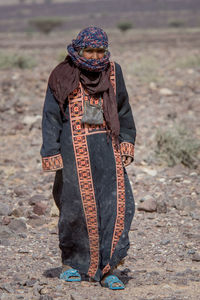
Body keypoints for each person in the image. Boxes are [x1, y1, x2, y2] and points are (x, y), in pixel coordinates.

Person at [40, 26, 136, 290]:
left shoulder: (114, 72)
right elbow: (50, 115)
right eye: (89, 51)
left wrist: (127, 142)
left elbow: (123, 109)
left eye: (100, 51)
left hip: (108, 148)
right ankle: (73, 264)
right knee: (74, 209)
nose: (95, 57)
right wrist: (51, 151)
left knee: (118, 206)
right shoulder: (62, 74)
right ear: (78, 50)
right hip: (73, 152)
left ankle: (110, 267)